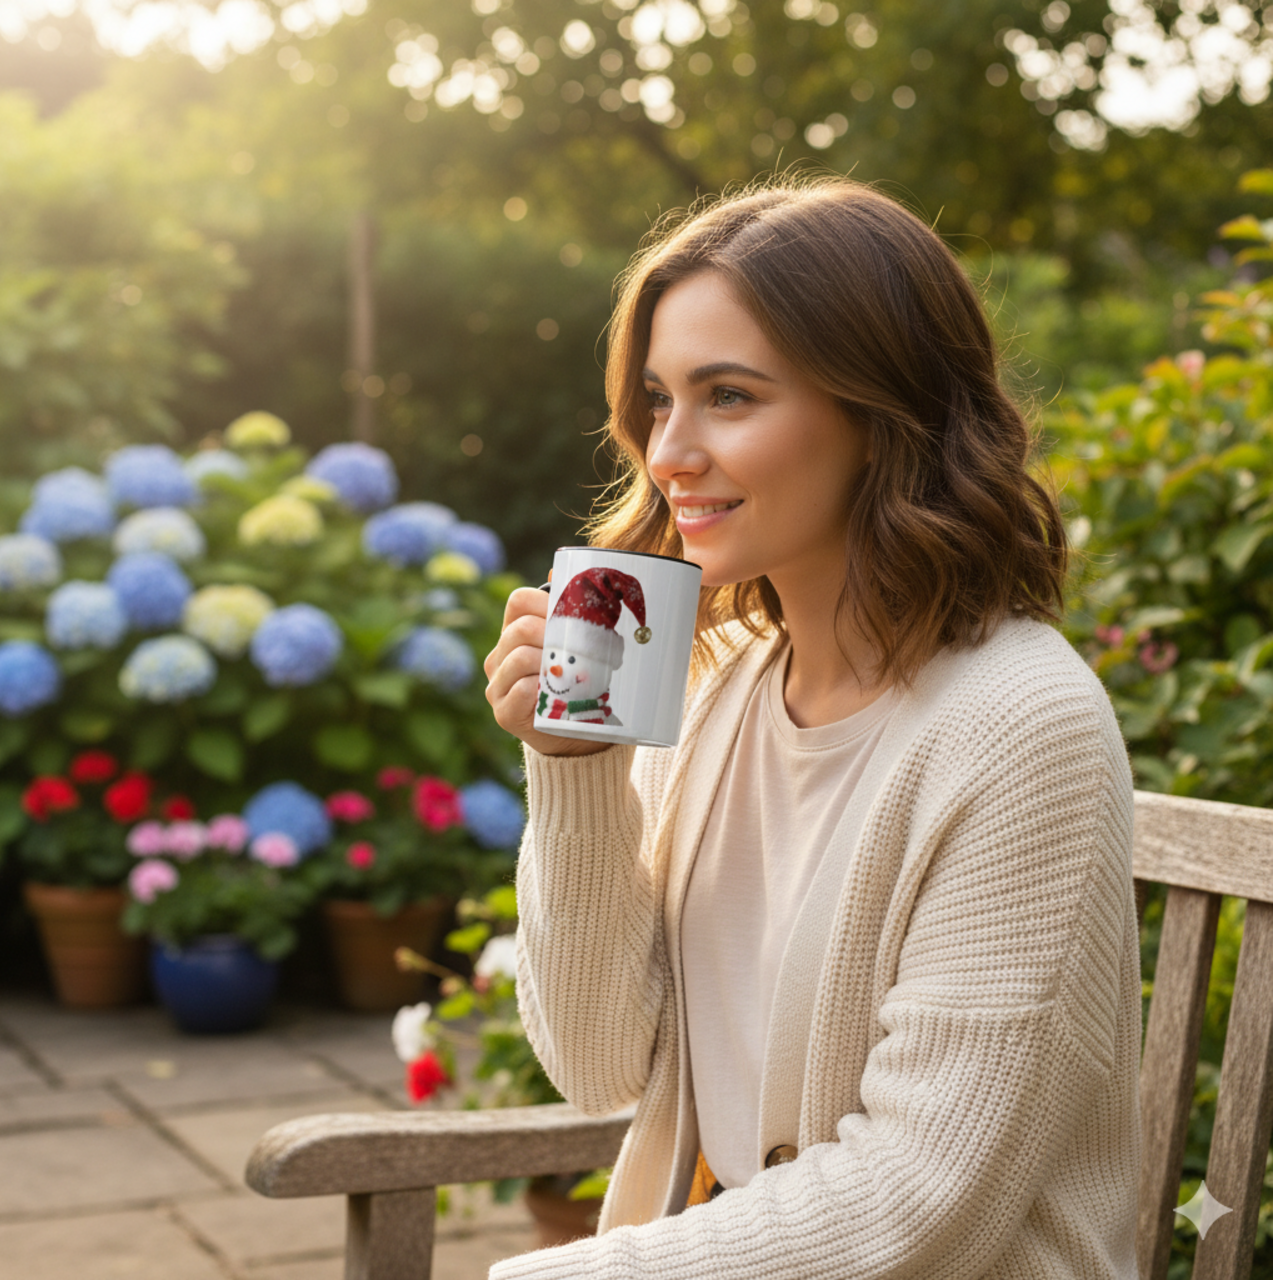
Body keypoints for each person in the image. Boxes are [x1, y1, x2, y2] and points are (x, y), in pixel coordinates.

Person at [482, 176, 1140, 1280]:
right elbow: (597, 1065)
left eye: (729, 396)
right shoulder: (719, 680)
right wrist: (574, 765)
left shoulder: (1024, 726)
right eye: (658, 399)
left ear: (881, 415)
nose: (667, 451)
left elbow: (915, 1200)